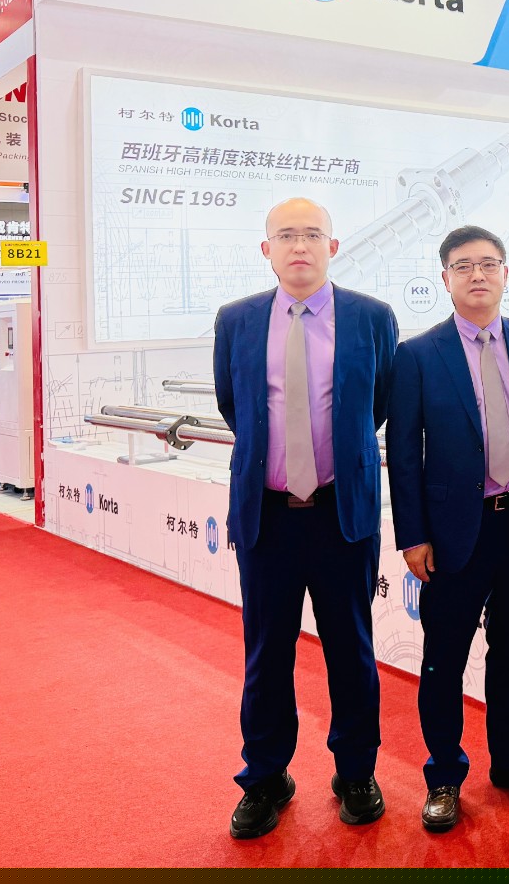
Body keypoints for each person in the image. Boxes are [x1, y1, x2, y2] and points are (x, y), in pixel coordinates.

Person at [212, 197, 398, 840]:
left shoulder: (372, 318)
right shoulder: (236, 320)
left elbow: (375, 406)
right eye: (286, 235)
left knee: (351, 650)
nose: (300, 246)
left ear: (333, 246)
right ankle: (266, 777)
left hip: (340, 514)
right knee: (267, 653)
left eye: (312, 234)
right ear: (266, 250)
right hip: (267, 519)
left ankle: (356, 772)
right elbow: (235, 406)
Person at [386, 225, 509, 834]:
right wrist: (412, 534)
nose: (478, 275)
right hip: (453, 534)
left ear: (506, 272)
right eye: (464, 266)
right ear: (445, 279)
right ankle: (443, 776)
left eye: (489, 264)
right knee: (444, 658)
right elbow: (403, 453)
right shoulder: (417, 354)